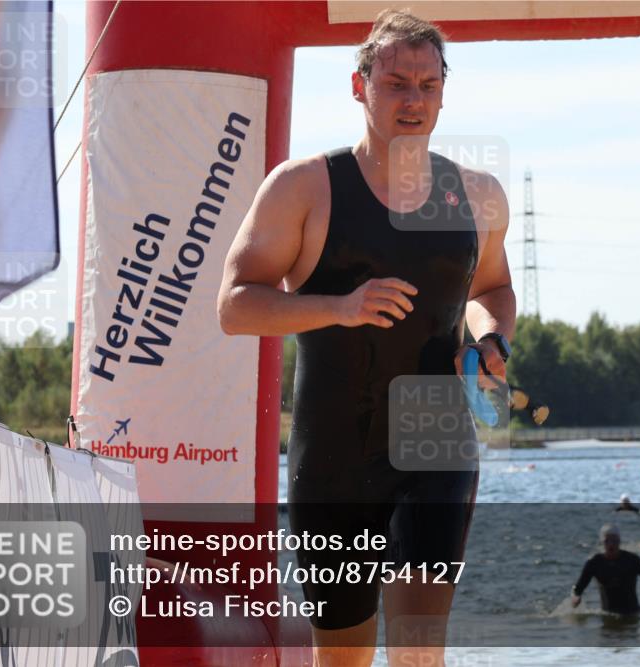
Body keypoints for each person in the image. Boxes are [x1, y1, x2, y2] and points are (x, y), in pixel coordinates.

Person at [217, 10, 515, 667]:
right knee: (343, 659)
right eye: (396, 83)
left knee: (417, 651)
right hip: (334, 457)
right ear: (360, 86)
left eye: (427, 86)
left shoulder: (477, 195)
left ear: (443, 91)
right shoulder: (302, 188)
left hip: (435, 442)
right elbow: (235, 306)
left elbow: (491, 292)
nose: (413, 100)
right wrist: (340, 306)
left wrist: (491, 339)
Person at [571, 524, 640, 615]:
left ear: (619, 541)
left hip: (633, 614)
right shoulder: (594, 563)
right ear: (602, 543)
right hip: (607, 615)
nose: (611, 544)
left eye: (614, 541)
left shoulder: (632, 560)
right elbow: (578, 589)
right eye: (607, 541)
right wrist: (576, 598)